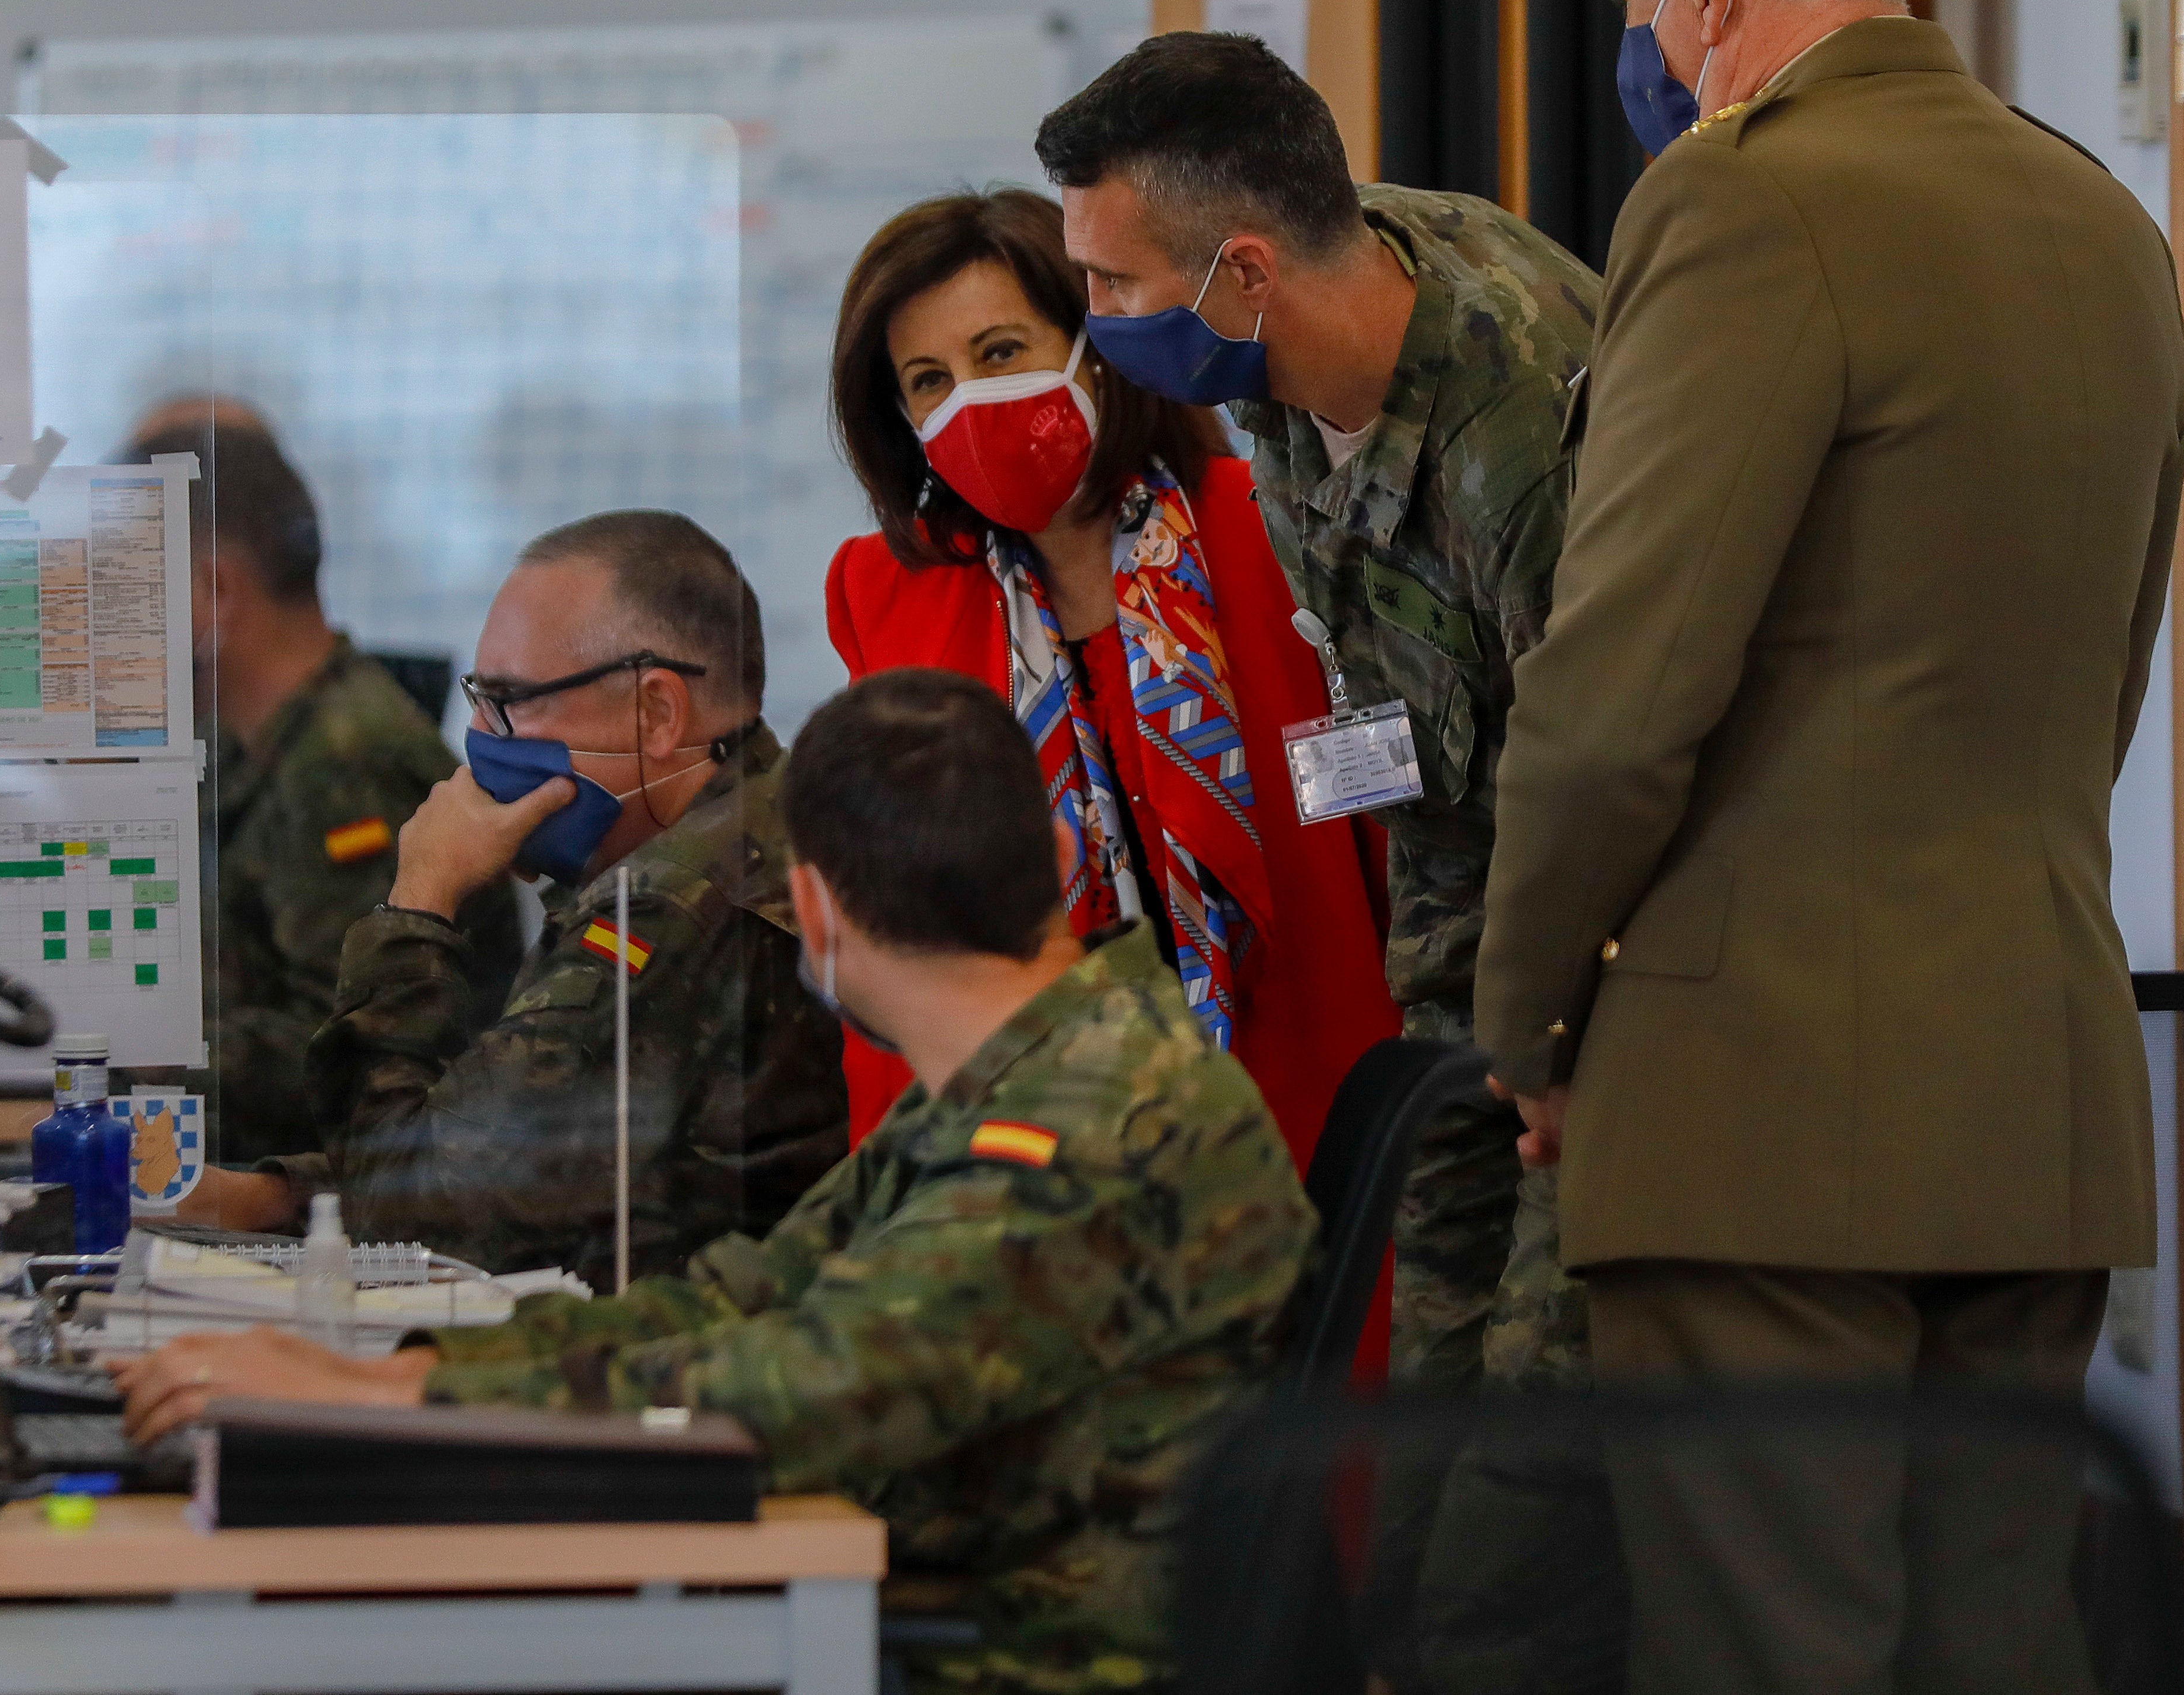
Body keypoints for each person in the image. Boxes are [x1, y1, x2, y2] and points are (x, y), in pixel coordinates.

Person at [1479, 0, 2184, 1693]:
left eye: (1638, 7)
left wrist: (1533, 1023)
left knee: (1766, 1653)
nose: (1646, 53)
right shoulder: (2098, 220)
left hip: (1760, 1094)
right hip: (2032, 1081)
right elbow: (2105, 672)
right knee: (1998, 1648)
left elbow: (1619, 692)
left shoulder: (1742, 201)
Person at [117, 667, 1318, 1694]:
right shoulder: (1023, 1069)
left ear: (812, 909)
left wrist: (380, 1412)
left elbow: (806, 1387)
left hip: (1016, 1652)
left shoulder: (1086, 1120)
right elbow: (741, 1297)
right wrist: (391, 1374)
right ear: (1057, 854)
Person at [1037, 32, 1618, 1688]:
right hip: (1457, 997)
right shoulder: (1282, 352)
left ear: (1238, 268)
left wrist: (1543, 1046)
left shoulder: (1527, 430)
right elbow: (1399, 733)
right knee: (1403, 1473)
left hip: (1599, 1024)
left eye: (1107, 279)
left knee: (1517, 1523)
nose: (1095, 326)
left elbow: (1618, 778)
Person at [820, 187, 1397, 1170]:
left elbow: (1393, 845)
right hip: (1031, 1156)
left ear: (1101, 345)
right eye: (928, 381)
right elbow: (895, 924)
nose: (967, 401)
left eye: (1001, 353)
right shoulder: (882, 595)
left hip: (1302, 1123)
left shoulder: (1280, 529)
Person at [178, 510, 850, 1291]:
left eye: (509, 700)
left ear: (658, 713)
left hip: (652, 1375)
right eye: (478, 695)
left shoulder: (675, 903)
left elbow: (422, 1217)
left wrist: (419, 902)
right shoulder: (746, 817)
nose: (479, 734)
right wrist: (273, 1196)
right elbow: (496, 1148)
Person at [115, 404, 522, 1163]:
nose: (110, 627)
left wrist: (129, 1042)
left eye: (126, 587)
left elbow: (348, 1051)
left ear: (213, 592)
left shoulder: (347, 760)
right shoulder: (249, 740)